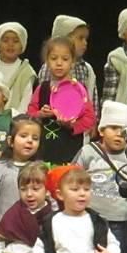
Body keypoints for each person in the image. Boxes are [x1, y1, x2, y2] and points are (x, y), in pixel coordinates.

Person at [73, 101, 127, 253]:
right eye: (114, 128)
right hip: (91, 218)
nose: (119, 133)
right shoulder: (88, 152)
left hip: (120, 221)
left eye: (125, 130)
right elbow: (72, 177)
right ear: (102, 130)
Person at [28, 37, 95, 165]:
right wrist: (40, 114)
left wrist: (70, 125)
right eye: (54, 58)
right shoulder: (42, 88)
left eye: (65, 59)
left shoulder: (78, 90)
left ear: (72, 62)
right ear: (47, 61)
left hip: (70, 150)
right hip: (44, 150)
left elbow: (89, 119)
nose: (59, 63)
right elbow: (30, 113)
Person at [0, 115, 42, 227]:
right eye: (23, 136)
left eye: (35, 138)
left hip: (33, 233)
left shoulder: (40, 169)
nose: (29, 141)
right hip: (5, 232)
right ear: (11, 141)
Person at [39, 15, 98, 118]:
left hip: (79, 120)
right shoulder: (48, 67)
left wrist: (93, 118)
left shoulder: (86, 68)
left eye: (86, 39)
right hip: (53, 119)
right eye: (80, 38)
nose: (85, 43)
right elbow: (43, 95)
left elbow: (92, 95)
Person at [0, 22, 36, 113]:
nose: (10, 44)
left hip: (16, 122)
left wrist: (16, 121)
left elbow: (26, 102)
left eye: (16, 41)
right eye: (5, 41)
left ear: (22, 46)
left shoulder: (26, 71)